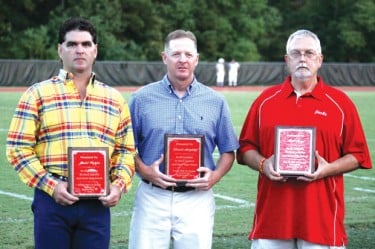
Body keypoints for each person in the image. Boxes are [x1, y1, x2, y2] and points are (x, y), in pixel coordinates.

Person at [6, 17, 136, 249]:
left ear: (95, 51)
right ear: (60, 50)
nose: (79, 50)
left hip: (97, 204)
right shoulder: (37, 94)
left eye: (86, 44)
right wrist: (51, 185)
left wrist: (118, 185)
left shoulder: (114, 99)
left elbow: (126, 150)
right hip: (52, 200)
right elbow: (18, 148)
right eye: (72, 44)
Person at [237, 29, 372, 249]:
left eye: (309, 53)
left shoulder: (341, 103)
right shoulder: (265, 101)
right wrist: (263, 164)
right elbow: (245, 149)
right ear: (287, 60)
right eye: (296, 53)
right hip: (272, 219)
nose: (302, 58)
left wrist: (326, 169)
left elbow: (358, 155)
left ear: (319, 60)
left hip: (322, 221)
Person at [128, 29, 239, 249]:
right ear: (164, 57)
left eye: (188, 55)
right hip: (153, 196)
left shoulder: (215, 101)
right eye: (176, 54)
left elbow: (229, 150)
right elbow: (126, 148)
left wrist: (215, 176)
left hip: (197, 199)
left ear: (196, 59)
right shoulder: (141, 99)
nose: (182, 60)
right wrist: (145, 170)